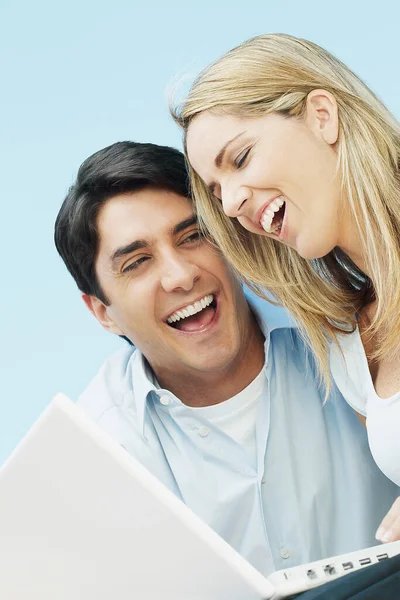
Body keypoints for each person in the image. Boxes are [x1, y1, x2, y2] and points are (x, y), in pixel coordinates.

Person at [54, 140, 399, 577]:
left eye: (193, 236)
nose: (181, 276)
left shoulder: (349, 331)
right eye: (137, 262)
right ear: (103, 313)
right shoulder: (99, 451)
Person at [172, 33, 400, 542]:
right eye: (216, 191)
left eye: (241, 158)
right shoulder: (348, 349)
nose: (230, 204)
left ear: (322, 116)